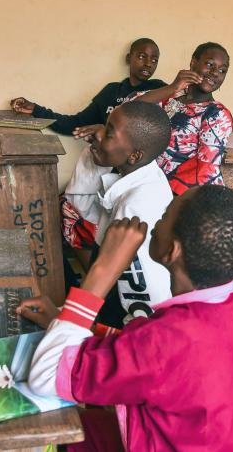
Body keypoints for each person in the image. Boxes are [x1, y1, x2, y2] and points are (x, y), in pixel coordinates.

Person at [17, 185, 233, 450]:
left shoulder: (166, 342)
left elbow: (45, 376)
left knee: (32, 427)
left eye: (165, 214)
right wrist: (71, 322)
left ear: (172, 251)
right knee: (79, 425)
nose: (157, 221)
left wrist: (105, 268)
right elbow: (148, 353)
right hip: (207, 438)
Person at [57, 101, 175, 326]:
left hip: (125, 312)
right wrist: (94, 150)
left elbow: (143, 286)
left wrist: (127, 328)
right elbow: (83, 205)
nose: (99, 134)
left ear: (134, 156)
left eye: (109, 132)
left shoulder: (136, 207)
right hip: (111, 292)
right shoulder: (138, 176)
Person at [129, 42, 233, 194]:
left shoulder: (216, 114)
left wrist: (164, 197)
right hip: (146, 183)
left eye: (222, 70)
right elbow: (128, 109)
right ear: (193, 62)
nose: (215, 73)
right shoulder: (170, 97)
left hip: (180, 195)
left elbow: (206, 169)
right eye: (210, 64)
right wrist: (173, 87)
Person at [10, 38, 165, 135]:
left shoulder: (160, 90)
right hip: (107, 167)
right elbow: (76, 124)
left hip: (143, 169)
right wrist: (36, 110)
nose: (148, 64)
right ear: (128, 58)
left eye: (154, 60)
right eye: (142, 56)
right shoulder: (111, 91)